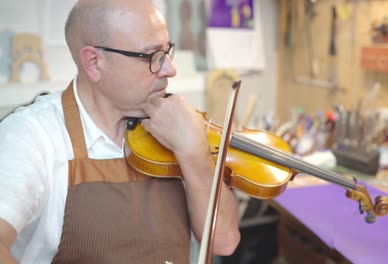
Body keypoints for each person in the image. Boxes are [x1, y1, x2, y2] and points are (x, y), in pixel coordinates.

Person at [0, 0, 240, 263]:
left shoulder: (174, 124)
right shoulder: (32, 136)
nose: (170, 69)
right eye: (151, 56)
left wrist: (194, 154)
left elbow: (225, 242)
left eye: (167, 51)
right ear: (94, 63)